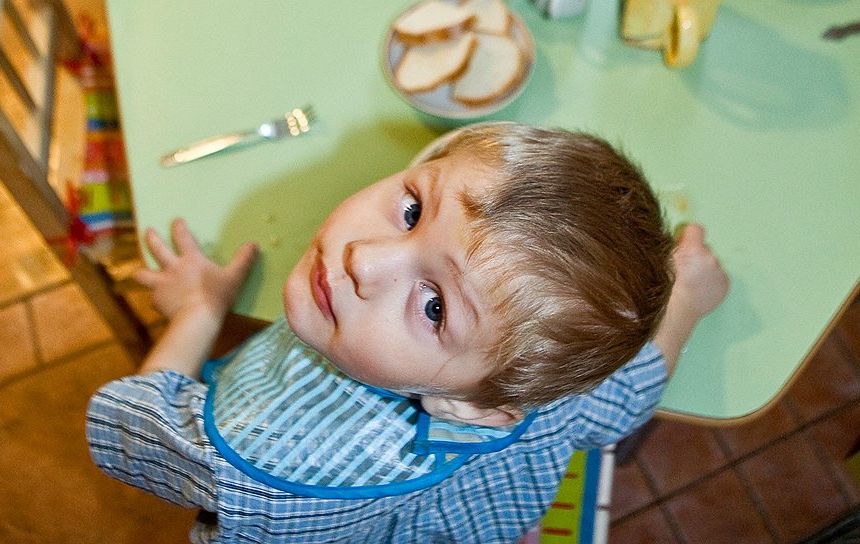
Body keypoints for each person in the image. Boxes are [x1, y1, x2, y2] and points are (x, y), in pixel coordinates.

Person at [86, 122, 729, 543]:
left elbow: (136, 422)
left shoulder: (263, 459)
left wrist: (200, 308)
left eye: (434, 308)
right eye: (414, 209)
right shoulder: (536, 369)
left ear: (474, 408)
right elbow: (619, 402)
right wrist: (686, 304)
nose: (365, 258)